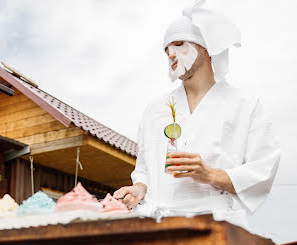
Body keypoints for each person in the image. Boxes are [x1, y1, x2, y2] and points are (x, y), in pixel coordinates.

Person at [113, 0, 281, 228]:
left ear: (205, 47)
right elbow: (143, 168)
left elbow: (263, 169)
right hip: (159, 225)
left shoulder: (244, 104)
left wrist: (209, 174)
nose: (171, 54)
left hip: (215, 225)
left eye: (179, 44)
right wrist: (139, 188)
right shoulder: (155, 107)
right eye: (166, 49)